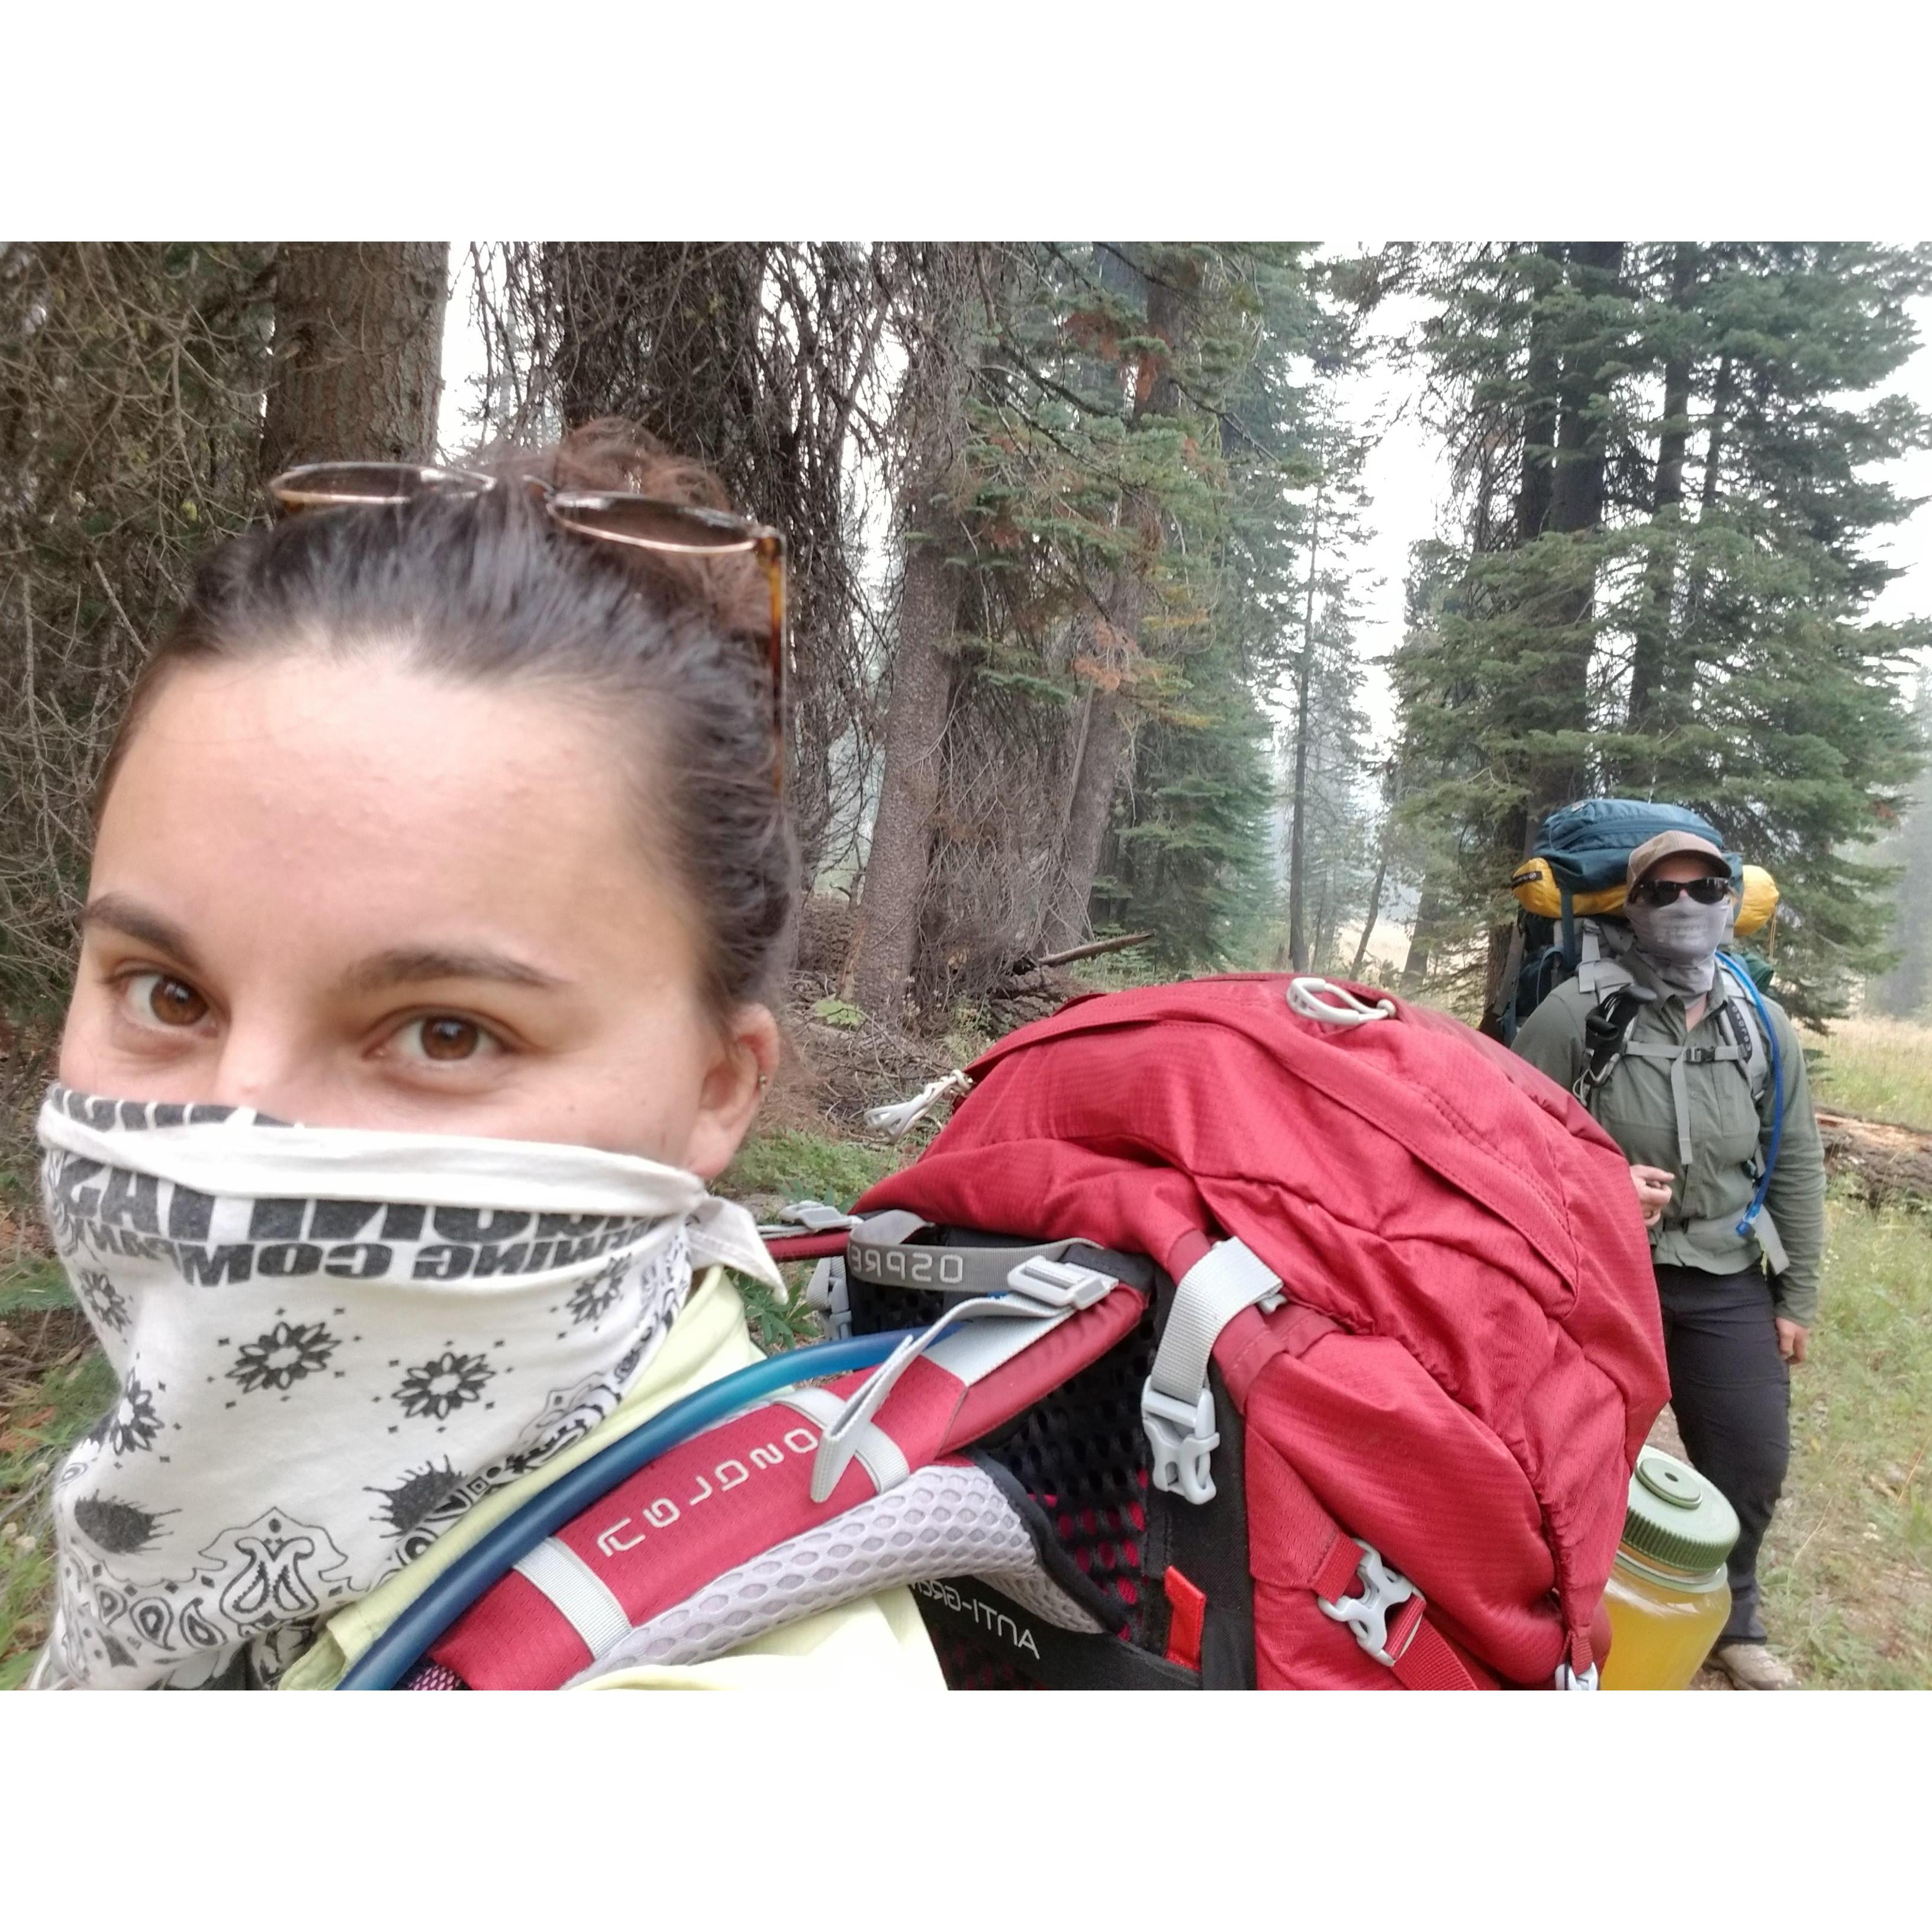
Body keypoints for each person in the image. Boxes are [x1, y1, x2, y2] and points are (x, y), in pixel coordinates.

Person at [30, 420, 942, 1691]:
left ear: (715, 1090)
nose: (234, 1132)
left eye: (444, 1033)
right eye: (168, 994)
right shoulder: (183, 1520)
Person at [1512, 830, 1825, 1690]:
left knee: (1752, 1458)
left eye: (1704, 889)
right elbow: (1509, 1139)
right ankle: (1560, 1607)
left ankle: (1734, 1618)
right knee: (1577, 1453)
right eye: (1662, 892)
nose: (1684, 907)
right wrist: (1603, 1183)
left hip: (1727, 1271)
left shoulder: (1762, 1026)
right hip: (1608, 1273)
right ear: (1632, 907)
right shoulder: (1576, 1013)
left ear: (1730, 902)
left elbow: (1796, 1161)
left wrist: (1797, 1296)